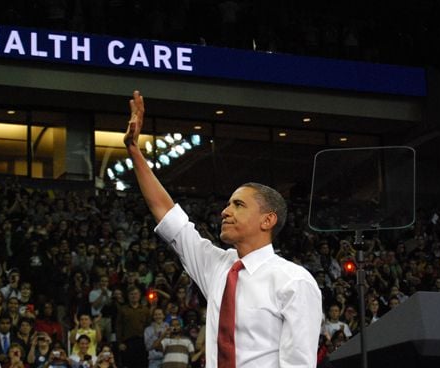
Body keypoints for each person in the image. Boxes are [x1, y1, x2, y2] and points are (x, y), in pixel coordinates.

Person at [124, 90, 322, 367]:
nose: (225, 211)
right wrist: (135, 152)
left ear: (268, 220)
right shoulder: (217, 267)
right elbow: (167, 215)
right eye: (228, 204)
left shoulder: (293, 282)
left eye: (239, 205)